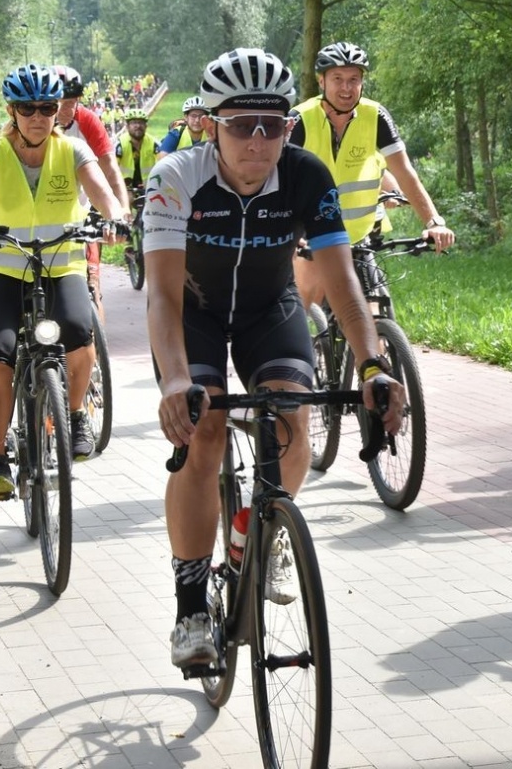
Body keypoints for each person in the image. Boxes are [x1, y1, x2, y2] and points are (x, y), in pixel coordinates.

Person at [146, 47, 406, 670]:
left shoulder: (307, 174)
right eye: (242, 125)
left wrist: (372, 364)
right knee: (205, 433)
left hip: (269, 309)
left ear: (290, 126)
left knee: (293, 418)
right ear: (212, 125)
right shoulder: (175, 177)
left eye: (274, 125)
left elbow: (341, 280)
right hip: (194, 314)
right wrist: (177, 380)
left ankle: (257, 534)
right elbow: (160, 293)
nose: (259, 140)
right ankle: (191, 606)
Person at [0, 65, 125, 498]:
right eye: (28, 109)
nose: (39, 116)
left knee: (79, 334)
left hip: (60, 266)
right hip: (1, 268)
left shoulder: (73, 150)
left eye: (47, 107)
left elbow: (103, 194)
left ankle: (75, 415)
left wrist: (116, 218)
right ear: (12, 111)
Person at [289, 41, 454, 312]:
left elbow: (404, 172)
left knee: (374, 314)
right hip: (312, 234)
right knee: (303, 311)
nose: (346, 88)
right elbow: (275, 178)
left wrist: (434, 221)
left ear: (362, 82)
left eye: (354, 79)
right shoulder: (299, 119)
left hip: (358, 237)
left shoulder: (375, 116)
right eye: (337, 79)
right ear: (321, 81)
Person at [51, 67, 130, 310]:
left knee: (91, 286)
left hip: (81, 209)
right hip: (40, 216)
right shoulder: (32, 123)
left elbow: (111, 170)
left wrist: (122, 210)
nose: (67, 110)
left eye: (72, 102)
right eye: (60, 104)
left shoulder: (86, 120)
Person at [115, 108, 164, 191]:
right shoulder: (120, 144)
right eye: (134, 123)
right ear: (127, 127)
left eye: (141, 122)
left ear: (146, 126)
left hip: (149, 186)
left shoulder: (154, 143)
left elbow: (163, 164)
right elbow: (112, 167)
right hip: (125, 186)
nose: (138, 126)